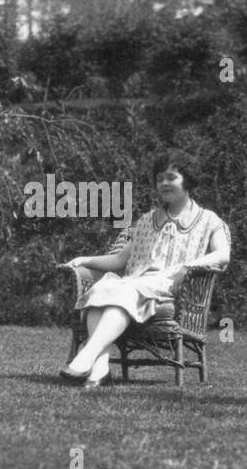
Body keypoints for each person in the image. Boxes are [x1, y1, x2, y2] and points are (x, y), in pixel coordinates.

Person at [60, 153, 230, 389]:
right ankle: (99, 370)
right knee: (105, 288)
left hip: (172, 287)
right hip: (138, 283)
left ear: (187, 180)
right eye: (160, 178)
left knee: (124, 289)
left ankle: (86, 357)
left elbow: (223, 254)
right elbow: (120, 260)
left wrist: (190, 265)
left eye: (172, 177)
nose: (164, 183)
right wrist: (84, 259)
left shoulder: (208, 220)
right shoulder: (148, 220)